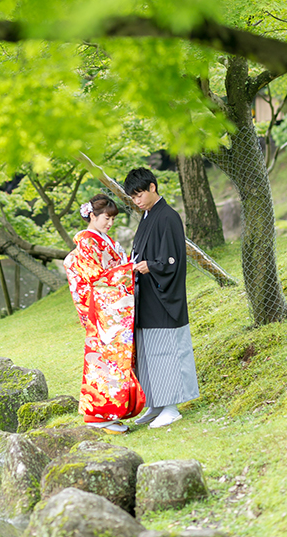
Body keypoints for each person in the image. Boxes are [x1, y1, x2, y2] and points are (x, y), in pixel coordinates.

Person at [124, 167, 199, 429]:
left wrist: (151, 266)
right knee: (148, 351)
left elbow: (173, 260)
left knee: (166, 349)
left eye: (140, 194)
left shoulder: (168, 216)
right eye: (133, 197)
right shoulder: (147, 216)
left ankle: (171, 407)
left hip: (163, 294)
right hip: (146, 295)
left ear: (152, 187)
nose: (137, 200)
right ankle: (155, 403)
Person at [64, 193, 145, 434]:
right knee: (106, 362)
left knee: (116, 361)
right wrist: (128, 268)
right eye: (106, 218)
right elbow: (95, 278)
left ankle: (112, 413)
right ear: (92, 216)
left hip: (112, 308)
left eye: (112, 219)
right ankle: (98, 415)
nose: (110, 223)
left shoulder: (103, 240)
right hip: (103, 310)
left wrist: (125, 266)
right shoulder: (87, 242)